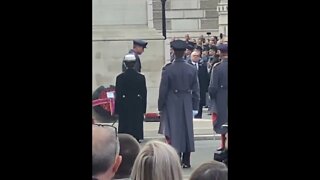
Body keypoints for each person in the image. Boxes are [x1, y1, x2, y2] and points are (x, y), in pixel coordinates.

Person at [158, 40, 200, 168]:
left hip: (172, 101)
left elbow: (163, 90)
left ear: (173, 52)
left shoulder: (168, 69)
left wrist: (160, 106)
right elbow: (196, 90)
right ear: (184, 53)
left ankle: (175, 158)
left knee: (173, 130)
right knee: (187, 130)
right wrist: (195, 106)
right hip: (186, 99)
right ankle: (186, 160)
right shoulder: (192, 69)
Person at [116, 54, 147, 143]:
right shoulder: (141, 77)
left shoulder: (120, 78)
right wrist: (144, 109)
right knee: (136, 123)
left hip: (124, 103)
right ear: (134, 63)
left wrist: (117, 110)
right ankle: (137, 136)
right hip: (137, 103)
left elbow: (118, 95)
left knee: (125, 125)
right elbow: (144, 94)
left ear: (125, 64)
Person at [209, 44, 228, 151]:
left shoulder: (217, 67)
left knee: (223, 121)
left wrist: (212, 98)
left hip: (222, 96)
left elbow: (212, 87)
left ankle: (223, 143)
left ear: (220, 53)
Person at [189, 51, 210, 119]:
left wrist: (206, 89)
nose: (196, 57)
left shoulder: (202, 66)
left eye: (197, 56)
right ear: (191, 57)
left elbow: (206, 78)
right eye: (194, 56)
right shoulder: (188, 66)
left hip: (200, 90)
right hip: (190, 91)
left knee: (199, 107)